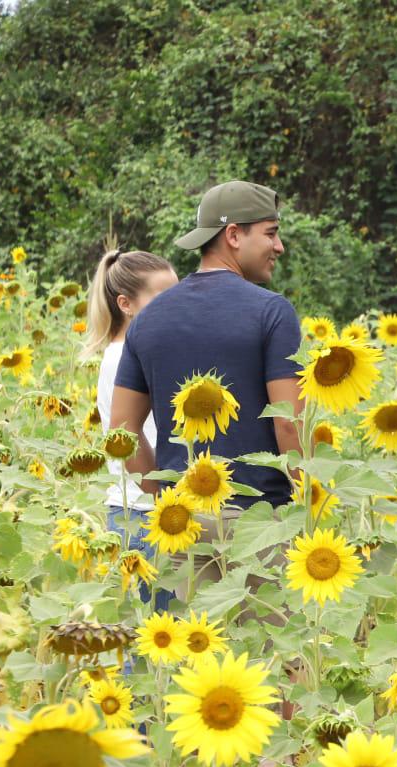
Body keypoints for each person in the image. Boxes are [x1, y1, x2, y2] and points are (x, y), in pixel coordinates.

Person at [110, 181, 302, 522]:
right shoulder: (272, 312)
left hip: (184, 528)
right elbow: (288, 424)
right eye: (271, 233)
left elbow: (120, 431)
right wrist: (309, 506)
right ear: (233, 236)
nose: (279, 246)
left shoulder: (147, 319)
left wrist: (167, 502)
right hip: (259, 522)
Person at [83, 244, 178, 567]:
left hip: (142, 508)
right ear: (126, 304)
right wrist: (166, 502)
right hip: (143, 512)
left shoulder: (133, 350)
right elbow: (126, 437)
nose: (175, 307)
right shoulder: (125, 356)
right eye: (162, 299)